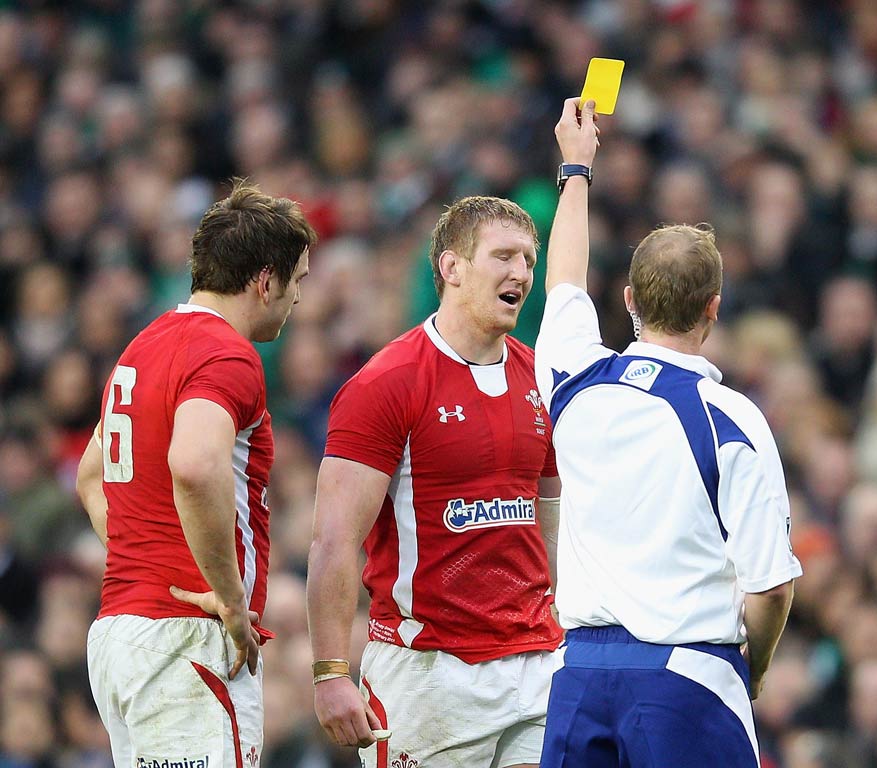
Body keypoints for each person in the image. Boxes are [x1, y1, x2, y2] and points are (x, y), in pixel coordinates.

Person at [534, 98, 802, 768]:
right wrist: (756, 666)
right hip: (688, 682)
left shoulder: (573, 380)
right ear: (715, 308)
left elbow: (563, 279)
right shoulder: (732, 419)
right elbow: (770, 589)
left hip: (578, 679)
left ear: (627, 300)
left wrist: (576, 167)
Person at [307, 195, 562, 768]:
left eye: (528, 258)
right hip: (427, 670)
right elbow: (333, 540)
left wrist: (562, 623)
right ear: (452, 268)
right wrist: (329, 672)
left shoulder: (538, 378)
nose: (520, 272)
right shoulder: (388, 383)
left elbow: (552, 519)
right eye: (502, 256)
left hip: (534, 664)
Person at [75, 180, 315, 768]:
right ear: (265, 281)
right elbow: (194, 462)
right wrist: (231, 600)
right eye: (297, 282)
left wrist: (145, 559)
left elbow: (89, 475)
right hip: (186, 639)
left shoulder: (143, 346)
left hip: (121, 633)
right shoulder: (226, 353)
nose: (297, 301)